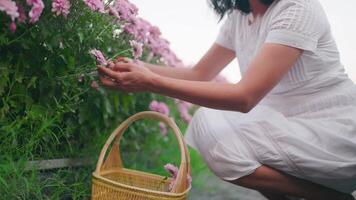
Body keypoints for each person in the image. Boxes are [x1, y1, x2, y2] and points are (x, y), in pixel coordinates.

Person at [97, 0, 356, 199]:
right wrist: (136, 67)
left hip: (333, 133)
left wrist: (150, 82)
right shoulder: (239, 17)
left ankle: (330, 197)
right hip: (283, 127)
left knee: (216, 132)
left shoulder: (298, 8)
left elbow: (245, 98)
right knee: (211, 128)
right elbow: (199, 74)